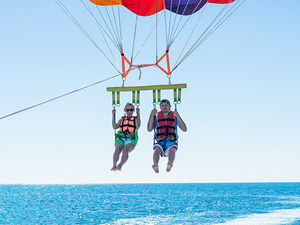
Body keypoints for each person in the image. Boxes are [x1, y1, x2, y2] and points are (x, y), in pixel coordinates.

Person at [147, 99, 187, 173]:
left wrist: (178, 116)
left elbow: (184, 129)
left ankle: (170, 163)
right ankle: (155, 164)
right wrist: (151, 115)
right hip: (160, 141)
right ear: (160, 107)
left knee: (172, 150)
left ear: (170, 106)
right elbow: (149, 129)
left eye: (166, 105)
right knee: (156, 150)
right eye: (162, 105)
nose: (164, 107)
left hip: (171, 140)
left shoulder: (174, 116)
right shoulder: (157, 116)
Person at [111, 103, 140, 171]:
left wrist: (138, 114)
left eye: (131, 110)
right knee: (117, 149)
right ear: (125, 110)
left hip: (131, 139)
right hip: (121, 138)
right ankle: (114, 164)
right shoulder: (122, 119)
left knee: (125, 150)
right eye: (127, 110)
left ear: (133, 110)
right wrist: (113, 115)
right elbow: (114, 126)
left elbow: (138, 126)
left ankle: (120, 165)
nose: (129, 112)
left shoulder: (135, 119)